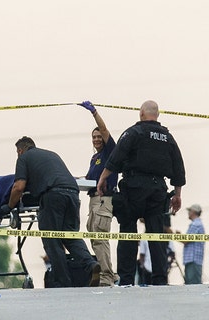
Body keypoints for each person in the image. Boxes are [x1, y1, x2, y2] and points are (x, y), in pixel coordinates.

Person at [97, 100, 186, 286]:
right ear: (157, 115)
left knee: (128, 232)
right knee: (156, 235)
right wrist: (177, 194)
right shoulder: (168, 137)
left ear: (141, 114)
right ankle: (160, 280)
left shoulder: (133, 132)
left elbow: (116, 156)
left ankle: (127, 279)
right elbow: (178, 167)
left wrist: (103, 178)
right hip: (157, 191)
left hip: (133, 188)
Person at [0, 136, 100, 287]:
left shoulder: (24, 158)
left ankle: (62, 282)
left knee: (51, 239)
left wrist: (9, 206)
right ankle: (91, 265)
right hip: (73, 193)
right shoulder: (51, 154)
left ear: (20, 150)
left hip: (53, 195)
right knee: (70, 235)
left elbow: (19, 187)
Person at [79, 100, 118, 286]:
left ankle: (107, 276)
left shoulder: (110, 152)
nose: (97, 139)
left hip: (104, 200)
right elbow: (88, 178)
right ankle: (110, 273)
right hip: (93, 200)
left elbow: (104, 130)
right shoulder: (95, 158)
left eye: (99, 137)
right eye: (93, 137)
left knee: (101, 239)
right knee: (95, 239)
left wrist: (94, 112)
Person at [179, 204, 204, 284]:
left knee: (193, 286)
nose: (188, 213)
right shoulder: (197, 224)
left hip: (193, 260)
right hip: (193, 260)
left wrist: (175, 236)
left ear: (194, 212)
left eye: (190, 211)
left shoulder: (195, 224)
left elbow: (186, 240)